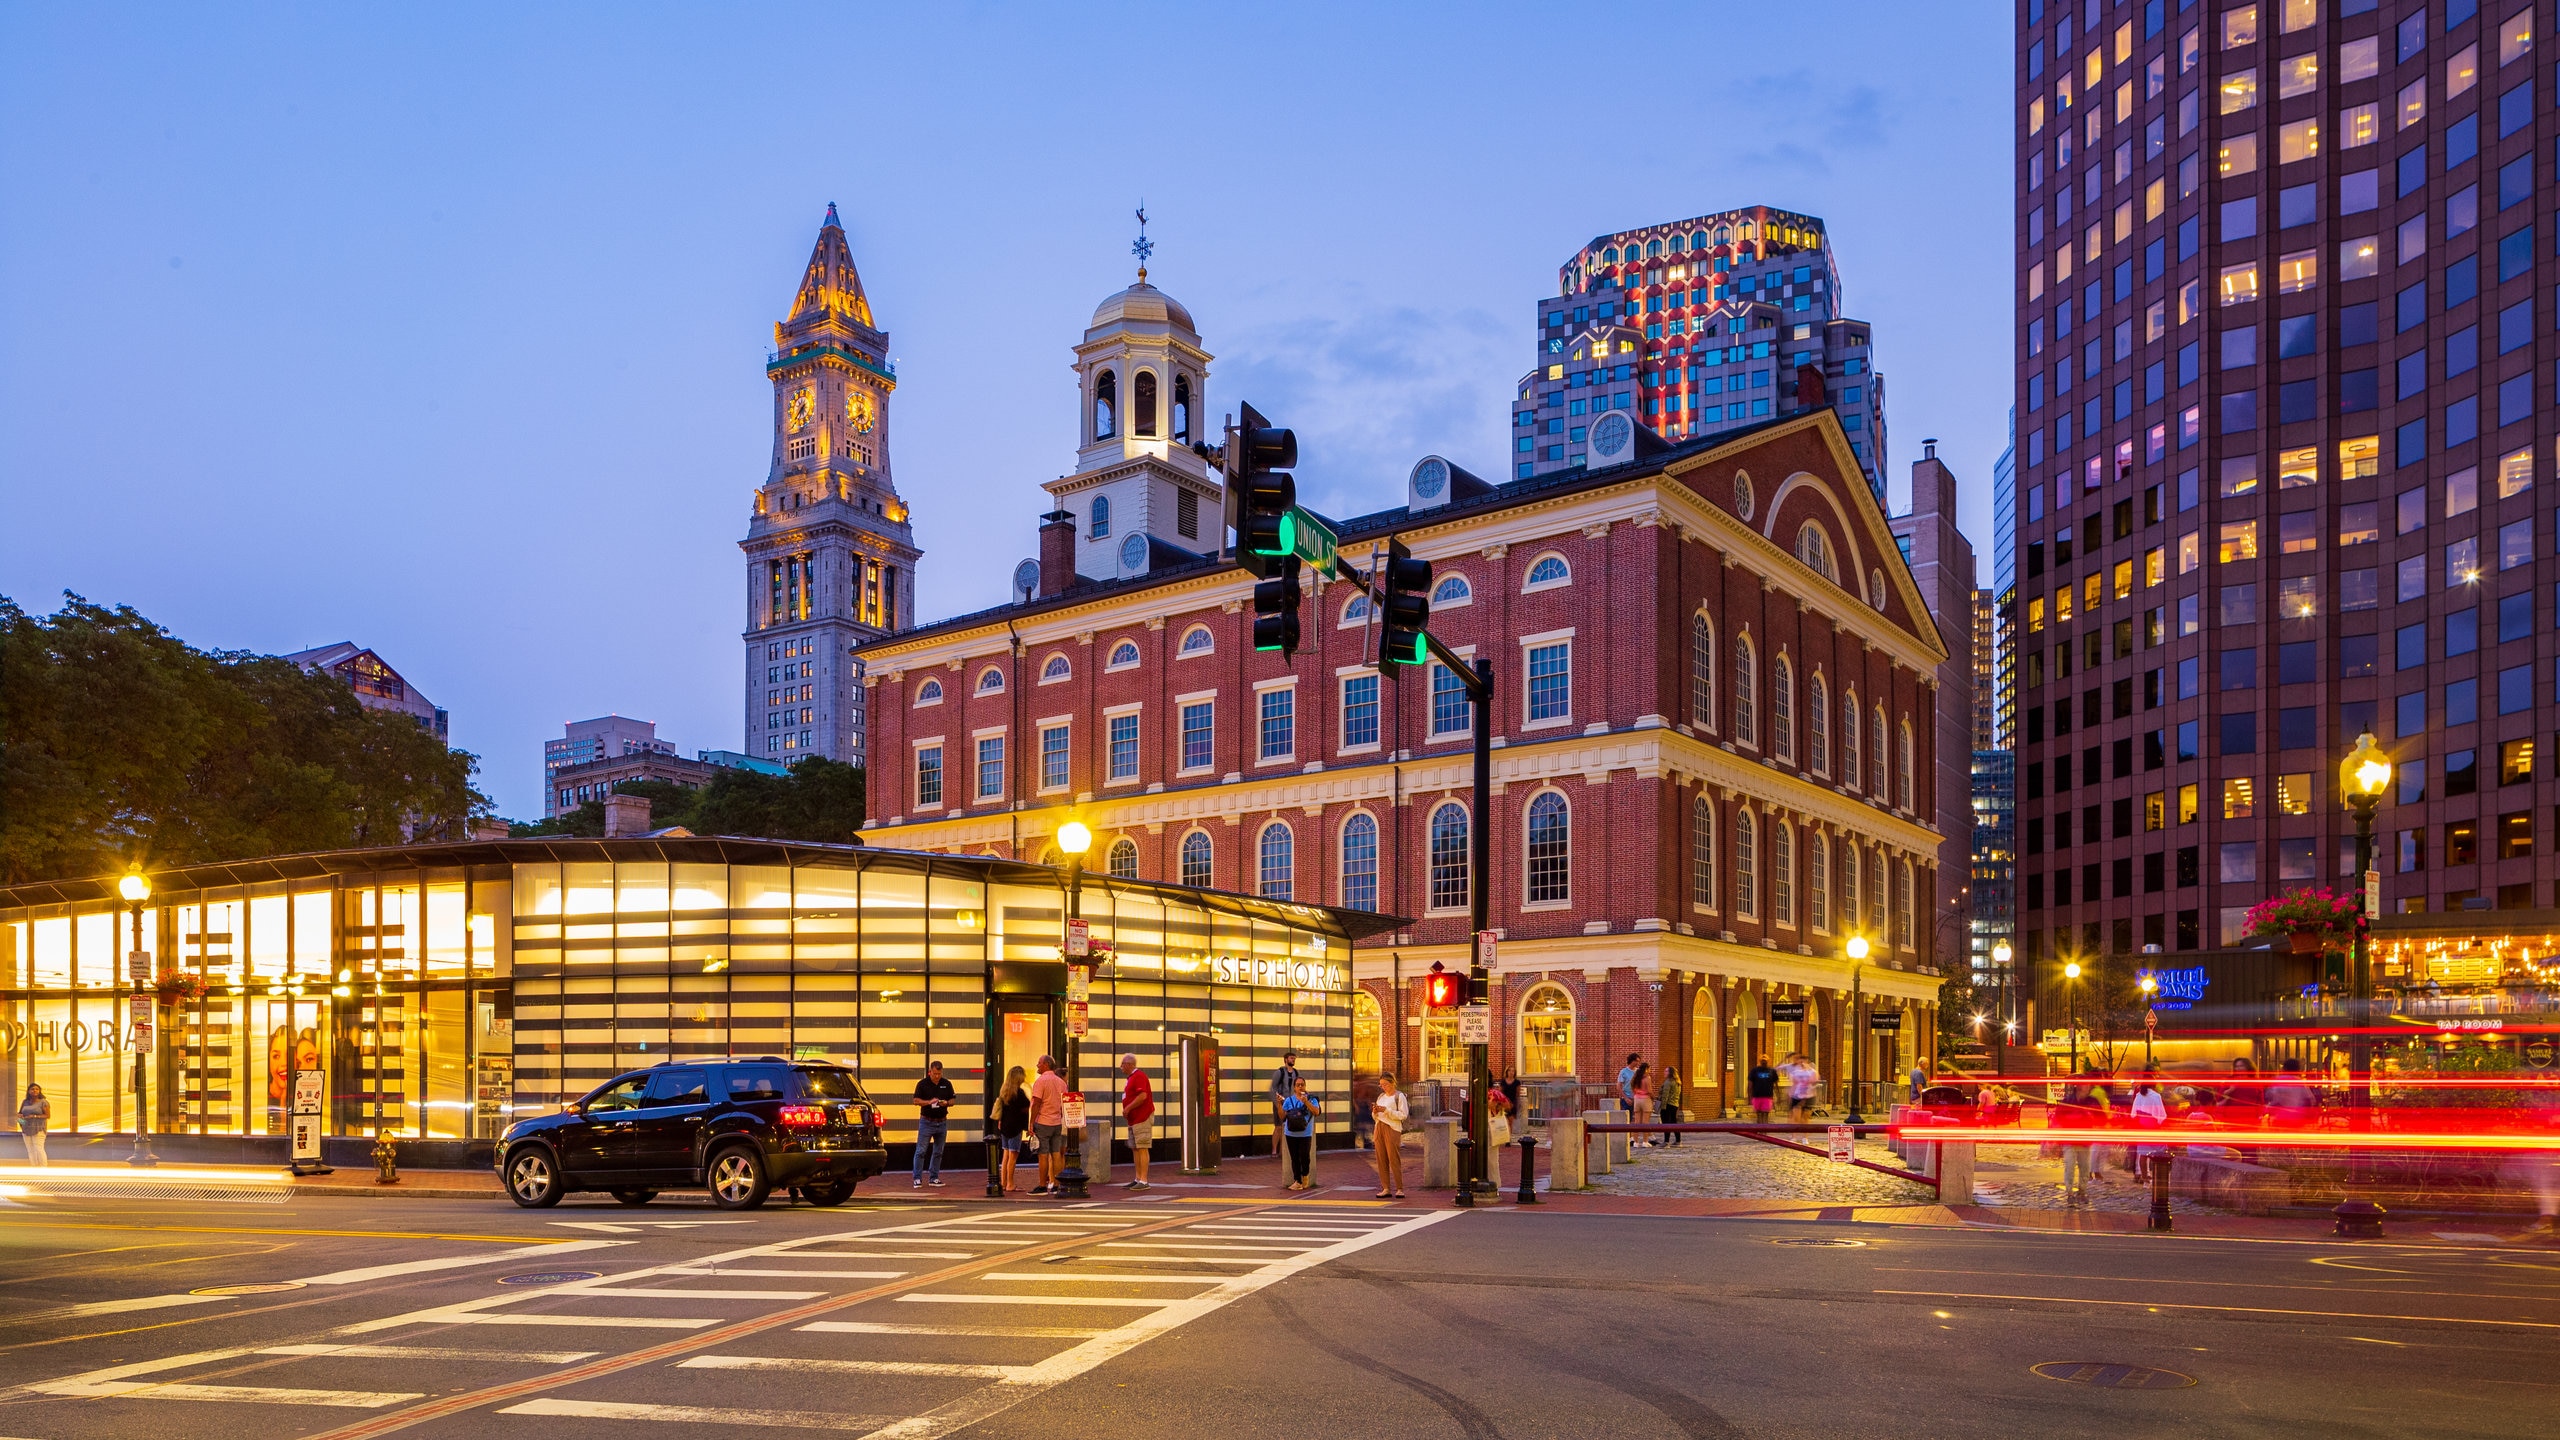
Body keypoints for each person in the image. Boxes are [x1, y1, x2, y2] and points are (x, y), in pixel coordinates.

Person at [2052, 1070, 2112, 1205]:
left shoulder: (2092, 1102)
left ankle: (2082, 1191)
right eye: (2082, 1084)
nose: (2085, 1086)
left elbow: (2102, 1119)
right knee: (2070, 1166)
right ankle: (2069, 1193)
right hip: (2069, 1139)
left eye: (2086, 1084)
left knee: (2085, 1167)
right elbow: (2058, 1118)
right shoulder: (2068, 1101)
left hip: (2084, 1140)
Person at [1028, 1055, 1067, 1196]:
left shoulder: (1040, 1081)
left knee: (1043, 1155)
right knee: (1056, 1154)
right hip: (1057, 1122)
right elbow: (1064, 1103)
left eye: (1039, 1063)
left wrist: (1031, 1123)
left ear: (1046, 1064)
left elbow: (1037, 1103)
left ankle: (1042, 1185)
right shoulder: (1061, 1082)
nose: (1037, 1065)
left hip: (1043, 1122)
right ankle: (1056, 1184)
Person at [911, 1060, 954, 1188]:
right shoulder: (923, 1084)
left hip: (942, 1121)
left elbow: (953, 1100)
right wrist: (929, 1102)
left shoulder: (946, 1084)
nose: (937, 1076)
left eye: (939, 1074)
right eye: (935, 1073)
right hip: (927, 1121)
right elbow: (915, 1100)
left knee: (938, 1151)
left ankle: (934, 1177)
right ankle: (917, 1178)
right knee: (921, 1150)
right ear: (930, 1071)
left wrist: (946, 1103)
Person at [1117, 1053, 1154, 1191]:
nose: (1121, 1067)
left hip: (1142, 1117)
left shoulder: (1138, 1076)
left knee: (1142, 1147)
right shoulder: (1131, 1078)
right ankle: (1137, 1178)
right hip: (1133, 1119)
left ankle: (1144, 1180)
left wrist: (1128, 1107)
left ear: (1129, 1064)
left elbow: (1143, 1095)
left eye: (1122, 1064)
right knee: (1135, 1148)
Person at [991, 1065, 1030, 1194]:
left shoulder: (1004, 1091)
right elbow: (1026, 1106)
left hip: (1005, 1127)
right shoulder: (1018, 1093)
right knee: (1013, 1156)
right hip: (1015, 1127)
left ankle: (1003, 1182)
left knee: (1006, 1155)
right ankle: (1010, 1183)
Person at [1371, 1072, 1408, 1199]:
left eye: (1385, 1084)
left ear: (1392, 1083)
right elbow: (1374, 1116)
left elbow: (1403, 1115)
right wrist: (1375, 1112)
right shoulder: (1381, 1096)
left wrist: (1386, 1111)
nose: (1383, 1087)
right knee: (1381, 1159)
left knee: (1394, 1158)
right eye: (1381, 1085)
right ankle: (1385, 1188)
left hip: (1392, 1128)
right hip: (1379, 1126)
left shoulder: (1399, 1096)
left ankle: (1399, 1188)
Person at [1280, 1079, 1320, 1191]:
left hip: (1305, 1133)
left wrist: (1306, 1102)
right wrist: (1279, 1103)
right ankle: (1297, 1181)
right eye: (1298, 1085)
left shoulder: (1312, 1099)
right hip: (1290, 1133)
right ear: (1294, 1088)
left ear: (1305, 1086)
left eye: (1302, 1085)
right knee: (1294, 1158)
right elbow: (1282, 1116)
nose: (1300, 1087)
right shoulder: (1289, 1100)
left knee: (1304, 1156)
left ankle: (1305, 1175)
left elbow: (1316, 1112)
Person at [2261, 1058, 2319, 1131]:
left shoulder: (2278, 1080)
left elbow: (2270, 1097)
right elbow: (2310, 1099)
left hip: (2281, 1118)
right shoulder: (2300, 1082)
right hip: (2297, 1118)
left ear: (2284, 1068)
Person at [1269, 1051, 1301, 1158]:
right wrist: (1277, 1103)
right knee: (1278, 1127)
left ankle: (1283, 1151)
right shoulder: (1279, 1072)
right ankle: (1274, 1151)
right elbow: (1273, 1088)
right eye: (1291, 1058)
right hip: (1280, 1103)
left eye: (1294, 1058)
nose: (1293, 1060)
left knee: (1286, 1127)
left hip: (1291, 1104)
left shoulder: (1296, 1073)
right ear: (1286, 1059)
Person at [17, 1084, 48, 1167]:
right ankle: (33, 1168)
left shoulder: (43, 1102)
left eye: (37, 1089)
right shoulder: (25, 1102)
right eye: (32, 1089)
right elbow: (20, 1114)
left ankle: (43, 1169)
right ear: (28, 1091)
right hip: (26, 1129)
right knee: (30, 1150)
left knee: (38, 1148)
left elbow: (47, 1115)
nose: (34, 1091)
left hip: (38, 1128)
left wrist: (34, 1116)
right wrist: (21, 1123)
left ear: (39, 1091)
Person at [1786, 1053, 1821, 1124]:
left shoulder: (1812, 1071)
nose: (1802, 1063)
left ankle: (1805, 1133)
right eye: (1801, 1061)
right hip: (1797, 1095)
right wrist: (1790, 1094)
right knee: (1795, 1115)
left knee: (1806, 1116)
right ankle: (1794, 1132)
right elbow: (1794, 1084)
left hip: (1808, 1095)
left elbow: (1815, 1080)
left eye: (1804, 1061)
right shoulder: (1795, 1071)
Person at [1747, 1054, 1780, 1123]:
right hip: (1757, 1096)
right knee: (1759, 1114)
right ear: (1760, 1061)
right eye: (1762, 1060)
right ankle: (1759, 1131)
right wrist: (1749, 1097)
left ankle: (1764, 1131)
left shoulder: (1772, 1071)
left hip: (1767, 1096)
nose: (1764, 1061)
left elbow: (1776, 1084)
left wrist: (1778, 1095)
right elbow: (1750, 1084)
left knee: (1765, 1114)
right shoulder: (1754, 1070)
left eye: (1765, 1060)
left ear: (1768, 1061)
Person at [1629, 1062, 1655, 1148]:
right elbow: (1649, 1090)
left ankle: (1636, 1142)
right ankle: (1645, 1141)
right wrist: (1653, 1098)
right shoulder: (1647, 1077)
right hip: (1645, 1099)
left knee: (1636, 1122)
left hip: (1637, 1099)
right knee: (1645, 1122)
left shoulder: (1636, 1077)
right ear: (1647, 1069)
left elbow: (1632, 1086)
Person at [1658, 1064, 1684, 1146]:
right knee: (1674, 1122)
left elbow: (1665, 1095)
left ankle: (1666, 1141)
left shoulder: (1668, 1082)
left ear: (1670, 1073)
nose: (1664, 1072)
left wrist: (1663, 1107)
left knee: (1666, 1123)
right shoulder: (1678, 1082)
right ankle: (1678, 1140)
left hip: (1667, 1105)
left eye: (1666, 1071)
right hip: (1675, 1104)